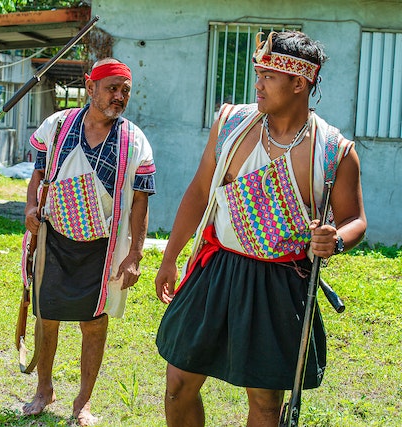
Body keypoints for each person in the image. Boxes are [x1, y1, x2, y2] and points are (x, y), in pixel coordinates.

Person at [154, 31, 367, 426]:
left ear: (299, 83)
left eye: (269, 75)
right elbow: (201, 192)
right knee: (179, 381)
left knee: (267, 402)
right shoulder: (231, 123)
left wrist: (336, 239)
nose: (258, 84)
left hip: (279, 281)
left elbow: (356, 221)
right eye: (258, 73)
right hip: (216, 268)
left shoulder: (334, 151)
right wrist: (170, 258)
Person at [22, 58, 156, 426]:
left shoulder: (134, 141)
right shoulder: (58, 126)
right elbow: (38, 173)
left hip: (103, 245)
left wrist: (135, 254)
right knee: (46, 315)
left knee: (94, 323)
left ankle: (83, 403)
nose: (119, 96)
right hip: (54, 238)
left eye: (125, 90)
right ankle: (43, 389)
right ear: (89, 86)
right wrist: (32, 206)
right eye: (112, 88)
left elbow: (141, 200)